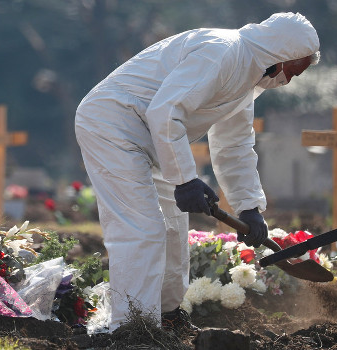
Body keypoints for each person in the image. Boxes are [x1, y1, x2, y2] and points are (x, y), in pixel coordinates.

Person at [74, 12, 320, 333]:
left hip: (153, 135)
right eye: (291, 72)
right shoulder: (221, 52)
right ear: (279, 56)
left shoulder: (248, 78)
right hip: (113, 123)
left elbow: (234, 146)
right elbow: (166, 110)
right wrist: (186, 179)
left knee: (175, 231)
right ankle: (133, 328)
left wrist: (249, 207)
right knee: (143, 230)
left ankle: (167, 315)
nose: (287, 81)